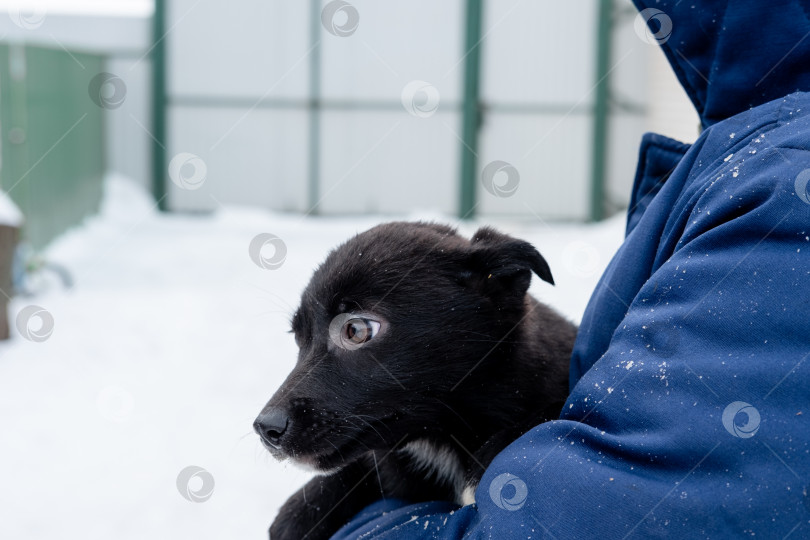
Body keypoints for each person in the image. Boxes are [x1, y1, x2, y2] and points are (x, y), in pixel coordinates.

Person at [331, 0, 810, 537]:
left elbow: (582, 520)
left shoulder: (785, 182)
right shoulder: (748, 145)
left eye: (357, 329)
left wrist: (358, 525)